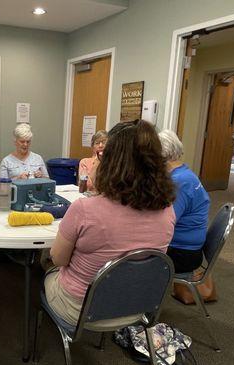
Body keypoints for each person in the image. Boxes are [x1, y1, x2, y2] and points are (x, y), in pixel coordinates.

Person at [45, 120, 176, 326]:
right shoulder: (168, 210)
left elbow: (58, 259)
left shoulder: (84, 209)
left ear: (110, 161)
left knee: (45, 274)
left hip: (82, 309)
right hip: (137, 306)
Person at [158, 129, 210, 277]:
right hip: (189, 246)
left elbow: (164, 223)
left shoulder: (179, 182)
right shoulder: (185, 174)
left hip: (182, 253)